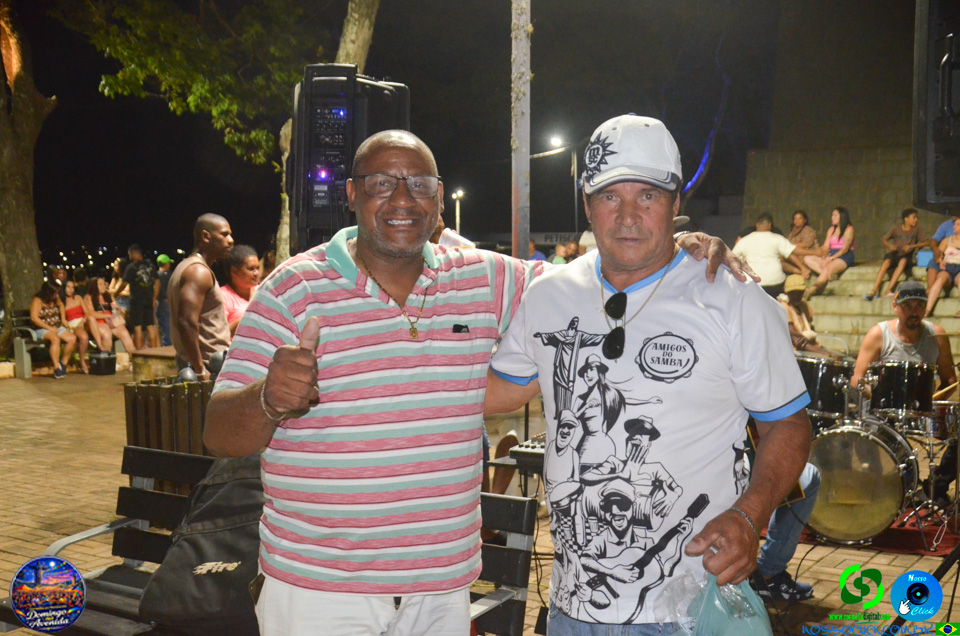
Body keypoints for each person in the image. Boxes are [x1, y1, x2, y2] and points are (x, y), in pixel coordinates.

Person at [201, 128, 753, 636]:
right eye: (381, 184)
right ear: (351, 194)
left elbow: (595, 277)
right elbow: (218, 434)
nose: (401, 199)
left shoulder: (484, 278)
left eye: (419, 184)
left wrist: (675, 248)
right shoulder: (293, 289)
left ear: (439, 199)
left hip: (441, 592)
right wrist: (268, 399)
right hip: (319, 591)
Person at [484, 114, 811, 631]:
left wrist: (750, 515)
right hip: (573, 609)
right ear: (587, 204)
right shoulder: (548, 294)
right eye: (610, 196)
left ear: (676, 203)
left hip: (689, 608)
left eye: (648, 196)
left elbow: (788, 425)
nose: (628, 217)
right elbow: (498, 390)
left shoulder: (733, 297)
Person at [850, 281, 957, 503]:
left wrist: (932, 404)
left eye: (920, 305)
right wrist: (881, 398)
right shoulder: (879, 334)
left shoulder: (936, 335)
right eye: (908, 306)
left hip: (920, 409)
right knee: (867, 435)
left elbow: (949, 380)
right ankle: (883, 489)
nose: (914, 311)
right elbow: (857, 379)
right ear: (895, 306)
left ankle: (936, 486)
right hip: (881, 409)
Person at [167, 214, 233, 379]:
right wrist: (199, 369)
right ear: (205, 236)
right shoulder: (198, 272)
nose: (230, 240)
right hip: (208, 367)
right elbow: (186, 322)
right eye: (224, 234)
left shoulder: (188, 267)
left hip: (207, 364)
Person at [732, 212, 809, 297]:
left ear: (757, 225)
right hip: (775, 283)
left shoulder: (744, 240)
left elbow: (732, 258)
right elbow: (793, 251)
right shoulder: (777, 238)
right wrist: (815, 253)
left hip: (753, 283)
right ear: (770, 225)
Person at [863, 208, 933, 301]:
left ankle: (888, 290)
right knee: (887, 261)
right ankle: (874, 290)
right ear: (906, 219)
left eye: (916, 217)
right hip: (895, 253)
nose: (916, 220)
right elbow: (884, 239)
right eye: (914, 217)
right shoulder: (896, 228)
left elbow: (928, 242)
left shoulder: (917, 229)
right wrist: (890, 246)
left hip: (906, 256)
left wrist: (912, 246)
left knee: (903, 261)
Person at [112, 244, 160, 349]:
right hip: (149, 299)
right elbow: (157, 282)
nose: (129, 257)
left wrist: (116, 294)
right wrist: (154, 297)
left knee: (137, 328)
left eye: (129, 254)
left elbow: (124, 283)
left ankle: (139, 353)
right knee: (150, 326)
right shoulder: (150, 265)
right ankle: (154, 351)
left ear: (133, 253)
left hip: (136, 300)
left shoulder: (131, 267)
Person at [803, 206, 855, 299]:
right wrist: (824, 256)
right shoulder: (831, 229)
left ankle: (812, 289)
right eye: (832, 215)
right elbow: (826, 246)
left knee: (827, 268)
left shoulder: (849, 229)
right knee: (807, 258)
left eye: (835, 215)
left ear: (842, 216)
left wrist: (831, 258)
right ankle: (830, 275)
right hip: (831, 254)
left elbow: (845, 249)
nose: (832, 218)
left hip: (843, 256)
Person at [779, 274, 836, 357]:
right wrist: (825, 354)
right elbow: (796, 340)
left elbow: (810, 328)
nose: (796, 296)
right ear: (786, 292)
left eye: (799, 292)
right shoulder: (784, 307)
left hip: (812, 346)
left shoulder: (803, 304)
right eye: (793, 293)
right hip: (797, 353)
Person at [29, 282, 76, 379]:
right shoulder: (38, 301)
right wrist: (49, 328)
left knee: (72, 338)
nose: (57, 295)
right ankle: (56, 367)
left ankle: (63, 363)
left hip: (56, 326)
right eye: (55, 293)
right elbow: (34, 318)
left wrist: (63, 318)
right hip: (42, 328)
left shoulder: (55, 299)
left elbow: (61, 305)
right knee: (55, 339)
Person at [83, 277, 136, 355]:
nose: (103, 286)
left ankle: (133, 357)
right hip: (98, 321)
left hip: (111, 321)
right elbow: (91, 313)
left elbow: (115, 307)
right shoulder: (89, 297)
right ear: (94, 286)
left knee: (124, 333)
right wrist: (107, 316)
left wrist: (120, 310)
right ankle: (107, 358)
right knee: (107, 334)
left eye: (104, 284)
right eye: (100, 284)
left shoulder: (109, 296)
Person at [220, 245, 260, 337]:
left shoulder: (262, 291)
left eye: (257, 268)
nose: (256, 273)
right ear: (234, 272)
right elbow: (219, 334)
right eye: (251, 269)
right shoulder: (222, 296)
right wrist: (247, 318)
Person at [925, 217, 960, 317]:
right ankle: (927, 309)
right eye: (955, 224)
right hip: (948, 267)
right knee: (940, 278)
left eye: (958, 224)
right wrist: (940, 261)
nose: (954, 226)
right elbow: (938, 254)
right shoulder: (947, 240)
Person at [61, 280, 91, 373]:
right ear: (64, 288)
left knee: (91, 320)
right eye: (68, 287)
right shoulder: (62, 302)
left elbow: (87, 313)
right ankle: (82, 361)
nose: (71, 289)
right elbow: (63, 319)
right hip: (73, 325)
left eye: (72, 287)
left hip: (83, 321)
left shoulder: (78, 298)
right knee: (83, 337)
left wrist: (83, 321)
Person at [783, 209, 819, 277]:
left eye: (800, 218)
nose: (797, 220)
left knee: (788, 252)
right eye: (795, 219)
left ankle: (804, 269)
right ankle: (800, 272)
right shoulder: (792, 232)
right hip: (794, 256)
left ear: (804, 220)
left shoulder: (808, 230)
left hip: (805, 255)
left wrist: (789, 246)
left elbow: (805, 244)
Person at [155, 254, 174, 346]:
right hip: (172, 303)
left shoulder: (156, 276)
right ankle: (170, 346)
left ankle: (166, 346)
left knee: (164, 327)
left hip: (161, 302)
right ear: (166, 264)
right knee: (171, 327)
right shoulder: (172, 275)